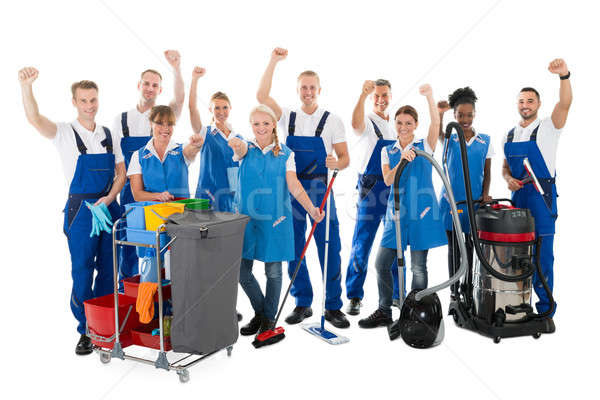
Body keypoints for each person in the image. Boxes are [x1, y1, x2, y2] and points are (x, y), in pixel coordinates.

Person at [19, 67, 126, 355]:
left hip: (108, 207)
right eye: (84, 101)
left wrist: (110, 198)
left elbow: (121, 173)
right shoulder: (64, 133)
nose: (89, 106)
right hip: (81, 211)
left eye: (93, 100)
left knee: (108, 270)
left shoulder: (107, 134)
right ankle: (85, 330)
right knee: (82, 271)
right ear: (74, 103)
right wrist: (26, 87)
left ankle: (105, 327)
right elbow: (34, 118)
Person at [256, 48, 351, 328]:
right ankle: (302, 301)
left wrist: (338, 162)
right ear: (298, 90)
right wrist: (273, 60)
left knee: (329, 246)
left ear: (319, 89)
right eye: (303, 88)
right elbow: (261, 97)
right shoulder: (288, 116)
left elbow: (345, 158)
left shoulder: (332, 120)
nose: (308, 92)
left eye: (312, 87)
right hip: (292, 188)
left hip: (321, 188)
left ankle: (333, 306)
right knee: (294, 246)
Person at [230, 105, 325, 336]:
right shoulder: (245, 148)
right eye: (255, 123)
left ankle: (269, 319)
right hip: (246, 219)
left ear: (273, 125)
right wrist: (233, 140)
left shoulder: (286, 154)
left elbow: (293, 185)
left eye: (265, 123)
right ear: (250, 126)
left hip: (275, 220)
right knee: (242, 272)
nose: (261, 128)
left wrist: (312, 209)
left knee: (273, 272)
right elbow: (237, 145)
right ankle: (262, 312)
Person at [358, 84, 447, 328]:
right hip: (395, 213)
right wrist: (403, 161)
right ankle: (384, 310)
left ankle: (415, 314)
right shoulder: (388, 151)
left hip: (422, 213)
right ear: (394, 125)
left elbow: (436, 126)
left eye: (409, 123)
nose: (404, 127)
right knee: (381, 263)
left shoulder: (425, 147)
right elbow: (388, 179)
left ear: (415, 125)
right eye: (399, 123)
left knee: (418, 266)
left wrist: (429, 96)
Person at [501, 59, 572, 317]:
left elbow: (565, 104)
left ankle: (545, 311)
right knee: (518, 255)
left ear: (538, 104)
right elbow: (505, 167)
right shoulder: (509, 134)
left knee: (543, 258)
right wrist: (508, 178)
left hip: (542, 198)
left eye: (530, 101)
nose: (525, 105)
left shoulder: (548, 127)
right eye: (521, 101)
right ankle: (521, 304)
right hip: (518, 196)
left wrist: (564, 76)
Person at [113, 50, 185, 282]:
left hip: (160, 193)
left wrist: (176, 67)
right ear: (139, 85)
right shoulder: (121, 120)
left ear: (160, 90)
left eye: (155, 85)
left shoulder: (163, 117)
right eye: (146, 83)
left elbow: (181, 99)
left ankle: (160, 297)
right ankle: (130, 294)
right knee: (130, 245)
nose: (150, 88)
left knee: (161, 247)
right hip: (131, 190)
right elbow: (117, 161)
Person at [345, 79, 399, 316]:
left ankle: (397, 294)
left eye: (384, 95)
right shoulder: (367, 121)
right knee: (362, 242)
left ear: (390, 95)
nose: (380, 100)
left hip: (394, 187)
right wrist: (361, 95)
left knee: (395, 240)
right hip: (371, 188)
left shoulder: (397, 124)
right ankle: (355, 295)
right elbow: (355, 123)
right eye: (376, 96)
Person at [437, 87, 493, 299]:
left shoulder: (484, 140)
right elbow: (439, 134)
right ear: (455, 115)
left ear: (475, 114)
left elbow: (487, 173)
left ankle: (468, 288)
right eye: (460, 115)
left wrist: (486, 194)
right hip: (451, 202)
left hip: (474, 202)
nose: (465, 119)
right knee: (454, 248)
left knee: (471, 246)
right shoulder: (450, 139)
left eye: (469, 115)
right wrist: (440, 114)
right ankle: (454, 290)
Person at [188, 66, 243, 212]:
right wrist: (195, 79)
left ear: (230, 108)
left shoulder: (238, 138)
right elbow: (192, 109)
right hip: (209, 195)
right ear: (210, 110)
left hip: (232, 198)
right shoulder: (205, 133)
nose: (221, 112)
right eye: (216, 108)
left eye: (224, 107)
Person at [127, 105, 200, 201]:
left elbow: (192, 149)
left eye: (169, 124)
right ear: (150, 124)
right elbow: (137, 195)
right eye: (160, 123)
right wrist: (158, 196)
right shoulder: (138, 156)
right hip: (152, 213)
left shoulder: (182, 150)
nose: (165, 128)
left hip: (182, 213)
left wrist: (197, 144)